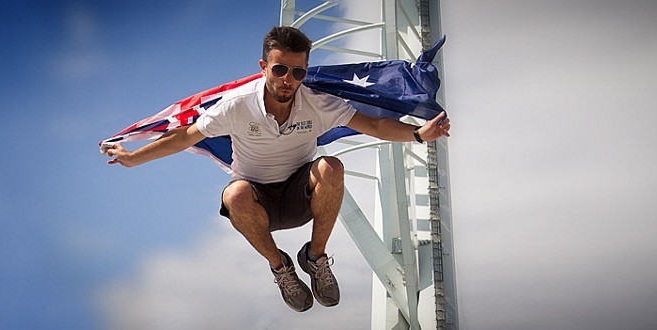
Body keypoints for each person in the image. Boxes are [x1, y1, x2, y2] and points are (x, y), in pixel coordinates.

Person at [104, 26, 451, 312]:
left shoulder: (316, 103)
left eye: (297, 72)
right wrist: (133, 158)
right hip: (259, 202)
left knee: (331, 166)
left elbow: (373, 126)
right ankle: (281, 267)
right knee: (235, 192)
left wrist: (419, 134)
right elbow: (183, 137)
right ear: (263, 67)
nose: (289, 79)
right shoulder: (236, 106)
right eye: (280, 69)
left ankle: (314, 258)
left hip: (301, 195)